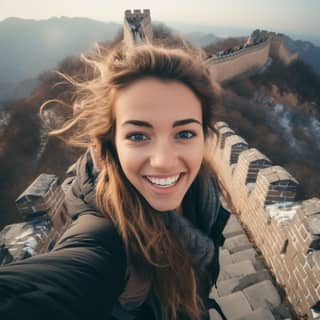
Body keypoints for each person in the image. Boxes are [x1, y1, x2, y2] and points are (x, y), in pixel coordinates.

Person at [0, 43, 230, 320]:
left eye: (184, 134)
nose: (164, 161)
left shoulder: (202, 193)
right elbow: (44, 288)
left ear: (204, 136)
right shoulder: (102, 236)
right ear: (111, 144)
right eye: (137, 136)